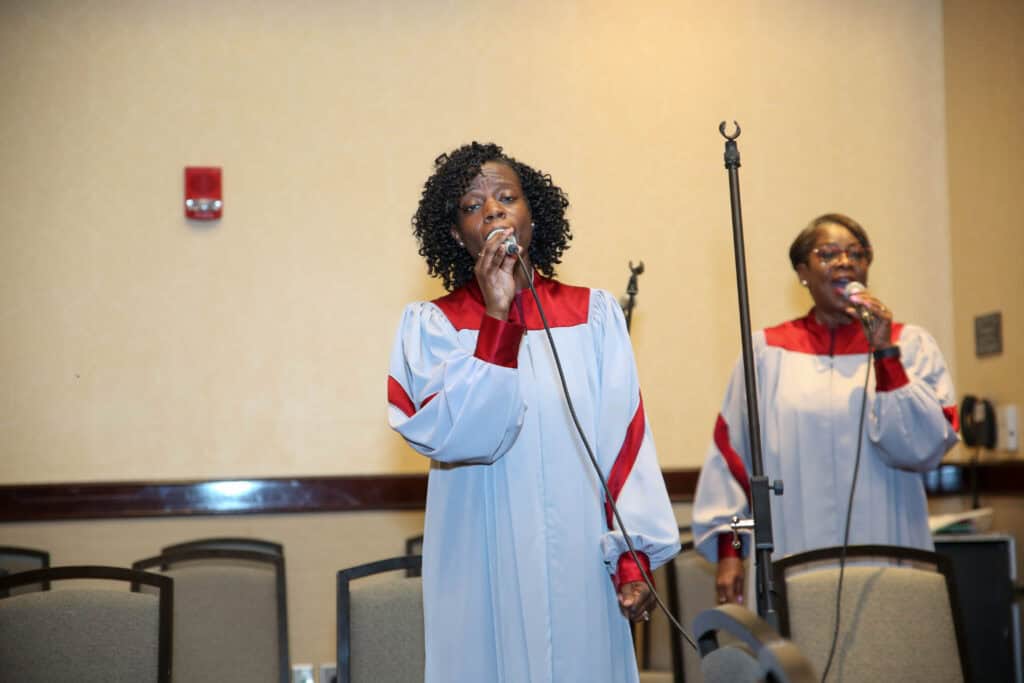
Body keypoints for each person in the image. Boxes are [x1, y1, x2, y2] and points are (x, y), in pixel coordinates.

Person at [387, 142, 680, 682]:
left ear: (532, 214)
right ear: (456, 234)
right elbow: (464, 436)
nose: (493, 210)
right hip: (482, 558)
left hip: (581, 559)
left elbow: (624, 443)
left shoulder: (593, 316)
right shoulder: (433, 326)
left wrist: (632, 554)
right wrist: (497, 316)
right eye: (472, 206)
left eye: (507, 197)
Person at [692, 213, 960, 606]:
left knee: (890, 635)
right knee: (802, 638)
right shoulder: (766, 352)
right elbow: (732, 455)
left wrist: (885, 353)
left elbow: (923, 448)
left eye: (856, 254)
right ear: (802, 272)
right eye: (828, 254)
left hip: (887, 540)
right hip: (795, 545)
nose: (845, 262)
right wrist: (729, 551)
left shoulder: (910, 345)